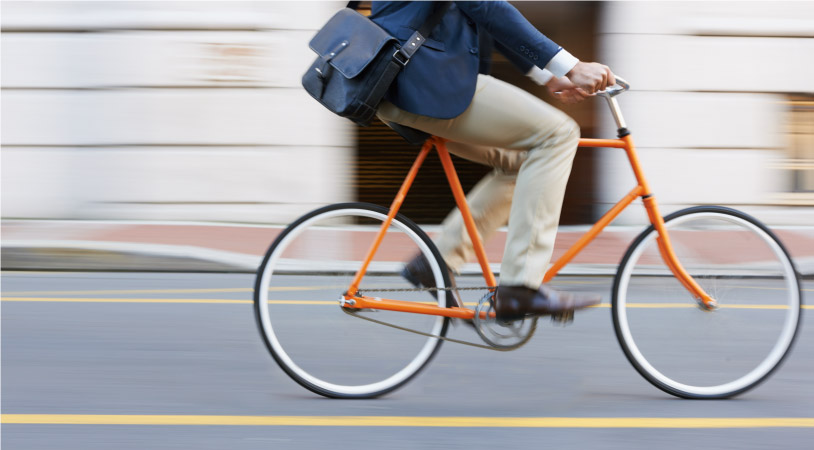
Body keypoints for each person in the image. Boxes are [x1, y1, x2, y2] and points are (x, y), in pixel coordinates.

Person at [369, 1, 614, 321]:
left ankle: (437, 262)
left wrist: (548, 76)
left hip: (409, 80)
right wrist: (569, 65)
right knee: (559, 133)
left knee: (522, 162)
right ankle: (521, 288)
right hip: (427, 79)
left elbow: (476, 14)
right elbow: (484, 5)